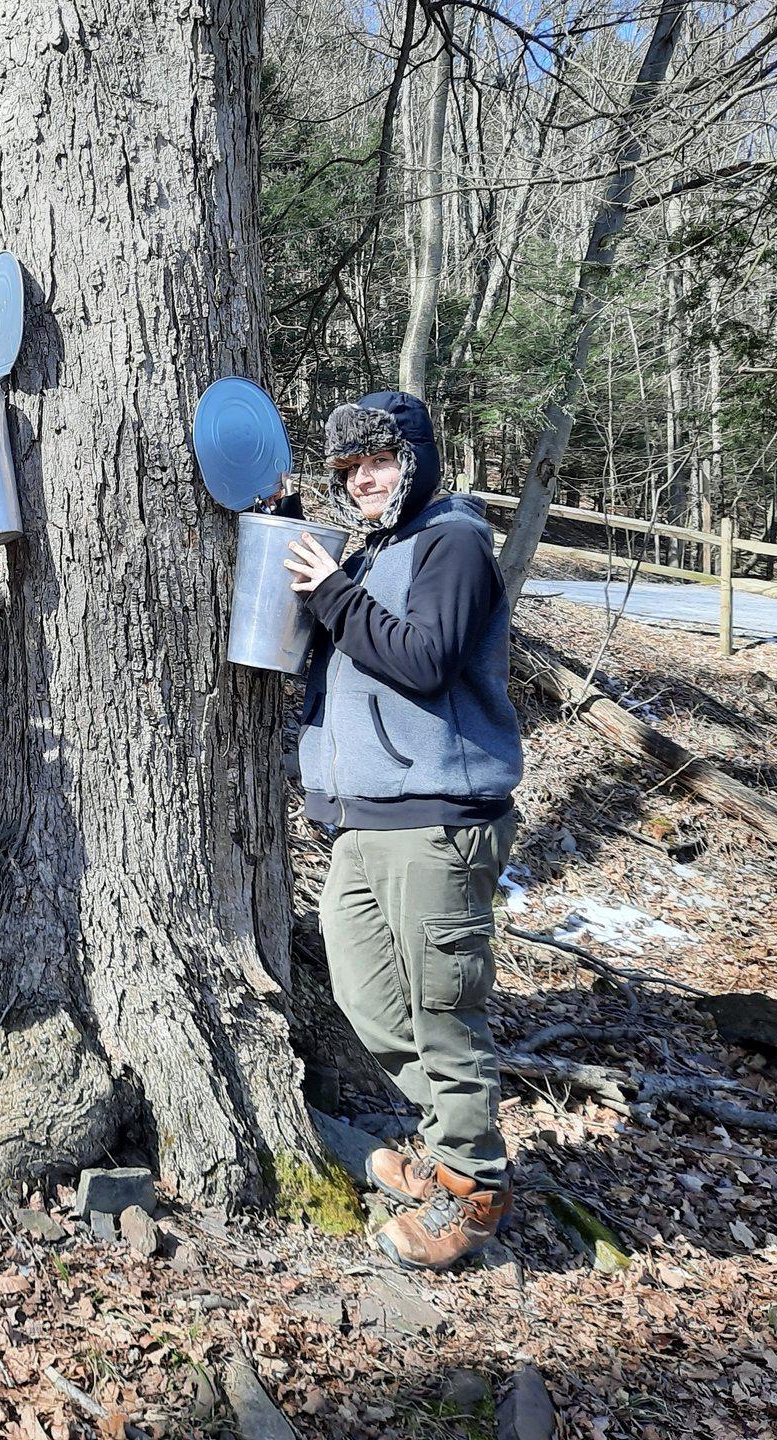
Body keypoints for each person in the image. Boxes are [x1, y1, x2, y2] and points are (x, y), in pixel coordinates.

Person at [283, 390, 524, 1271]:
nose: (364, 480)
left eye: (378, 462)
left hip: (440, 820)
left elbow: (426, 660)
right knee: (366, 995)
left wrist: (335, 592)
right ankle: (447, 1147)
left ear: (415, 458)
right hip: (364, 823)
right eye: (349, 470)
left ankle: (473, 1186)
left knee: (444, 1011)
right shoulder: (378, 546)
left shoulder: (452, 541)